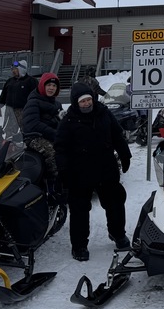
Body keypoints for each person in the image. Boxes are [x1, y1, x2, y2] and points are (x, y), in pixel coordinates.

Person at [55, 83, 132, 262]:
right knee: (79, 210)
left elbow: (117, 135)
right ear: (76, 103)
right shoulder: (68, 121)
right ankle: (79, 245)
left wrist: (124, 154)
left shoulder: (104, 113)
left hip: (106, 167)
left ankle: (117, 234)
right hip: (79, 172)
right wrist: (63, 170)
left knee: (115, 203)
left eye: (89, 99)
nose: (87, 104)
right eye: (83, 101)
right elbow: (60, 147)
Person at [22, 72, 64, 202]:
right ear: (42, 86)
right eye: (49, 85)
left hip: (51, 135)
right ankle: (53, 190)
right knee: (52, 154)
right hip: (33, 137)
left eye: (54, 85)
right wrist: (55, 134)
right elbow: (32, 124)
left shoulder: (56, 104)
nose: (51, 88)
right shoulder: (33, 101)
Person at [0, 60, 37, 129]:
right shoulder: (10, 81)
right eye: (12, 69)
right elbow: (3, 96)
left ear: (22, 69)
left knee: (25, 132)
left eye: (15, 69)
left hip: (24, 111)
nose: (13, 71)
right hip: (10, 111)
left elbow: (36, 97)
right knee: (8, 132)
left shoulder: (31, 81)